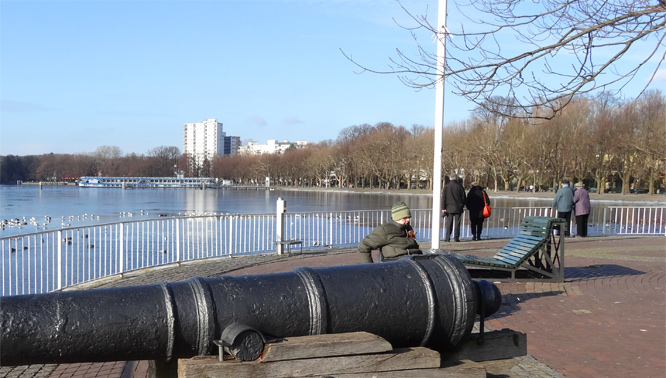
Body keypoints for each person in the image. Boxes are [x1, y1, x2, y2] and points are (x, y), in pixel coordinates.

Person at [441, 174, 467, 242]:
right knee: (457, 223)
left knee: (449, 223)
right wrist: (462, 205)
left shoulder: (446, 187)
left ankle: (447, 238)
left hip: (449, 207)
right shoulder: (460, 187)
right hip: (458, 207)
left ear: (450, 178)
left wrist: (443, 208)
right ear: (456, 179)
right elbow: (463, 197)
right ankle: (456, 237)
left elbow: (443, 198)